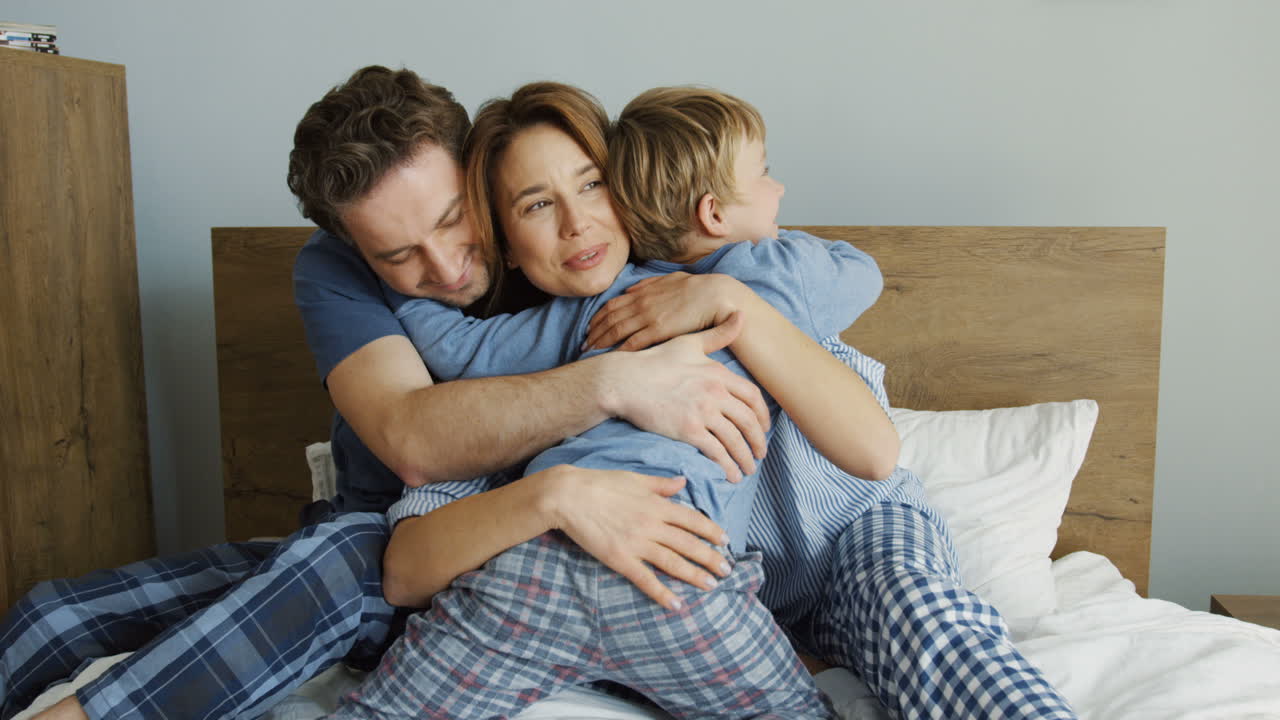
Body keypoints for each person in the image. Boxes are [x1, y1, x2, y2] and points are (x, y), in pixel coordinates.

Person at [0, 67, 773, 720]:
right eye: (398, 255)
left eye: (453, 220)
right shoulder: (331, 269)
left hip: (478, 569)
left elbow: (786, 288)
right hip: (384, 537)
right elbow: (413, 444)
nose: (444, 270)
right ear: (352, 245)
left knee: (337, 556)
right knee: (48, 617)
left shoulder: (584, 245)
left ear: (480, 172)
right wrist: (615, 383)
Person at [324, 81, 895, 719]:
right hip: (675, 570)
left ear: (627, 188)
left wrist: (398, 281)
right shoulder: (745, 277)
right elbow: (860, 271)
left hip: (541, 573)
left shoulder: (733, 292)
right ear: (506, 245)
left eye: (591, 184)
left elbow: (455, 345)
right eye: (537, 204)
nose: (576, 223)